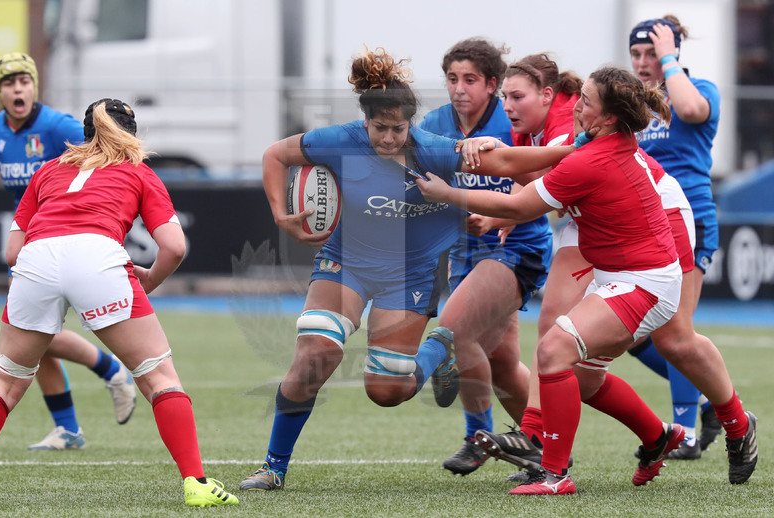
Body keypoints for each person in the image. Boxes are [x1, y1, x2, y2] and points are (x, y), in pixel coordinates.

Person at [237, 46, 576, 491]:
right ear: (366, 121)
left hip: (409, 275)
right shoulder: (338, 141)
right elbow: (275, 155)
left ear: (410, 124)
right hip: (347, 264)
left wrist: (576, 150)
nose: (391, 138)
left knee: (387, 392)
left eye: (399, 128)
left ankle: (442, 348)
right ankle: (273, 467)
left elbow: (508, 162)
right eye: (381, 128)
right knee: (315, 356)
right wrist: (282, 216)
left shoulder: (431, 150)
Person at [420, 66, 695, 495]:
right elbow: (532, 160)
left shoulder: (592, 157)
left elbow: (521, 205)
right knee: (582, 376)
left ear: (605, 117)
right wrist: (490, 147)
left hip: (644, 279)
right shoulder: (594, 140)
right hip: (625, 272)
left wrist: (447, 193)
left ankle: (553, 472)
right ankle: (660, 436)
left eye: (585, 99)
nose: (576, 104)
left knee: (553, 348)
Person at [0, 98, 238, 507]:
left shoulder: (47, 170)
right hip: (99, 258)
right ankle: (196, 483)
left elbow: (12, 253)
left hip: (35, 261)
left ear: (84, 133)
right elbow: (174, 247)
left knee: (5, 384)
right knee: (159, 378)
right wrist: (151, 277)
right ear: (130, 134)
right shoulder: (138, 171)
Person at [420, 46, 578, 476]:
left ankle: (476, 435)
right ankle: (541, 447)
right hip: (464, 252)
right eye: (452, 79)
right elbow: (421, 189)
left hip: (516, 247)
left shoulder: (511, 122)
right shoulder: (434, 126)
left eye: (469, 80)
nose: (459, 89)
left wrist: (497, 214)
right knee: (505, 366)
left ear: (491, 84)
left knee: (456, 331)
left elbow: (543, 182)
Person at [0, 53, 136, 450]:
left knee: (31, 337)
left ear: (34, 87)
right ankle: (69, 429)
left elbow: (104, 161)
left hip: (66, 237)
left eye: (24, 82)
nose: (18, 88)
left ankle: (109, 368)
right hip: (30, 238)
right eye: (9, 83)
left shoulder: (58, 126)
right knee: (35, 342)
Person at [626, 14, 723, 458]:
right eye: (638, 54)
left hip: (690, 220)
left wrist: (669, 61)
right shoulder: (631, 105)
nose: (644, 62)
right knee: (632, 335)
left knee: (674, 331)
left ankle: (683, 432)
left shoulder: (700, 89)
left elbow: (689, 111)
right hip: (643, 224)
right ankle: (713, 401)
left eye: (653, 53)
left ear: (674, 53)